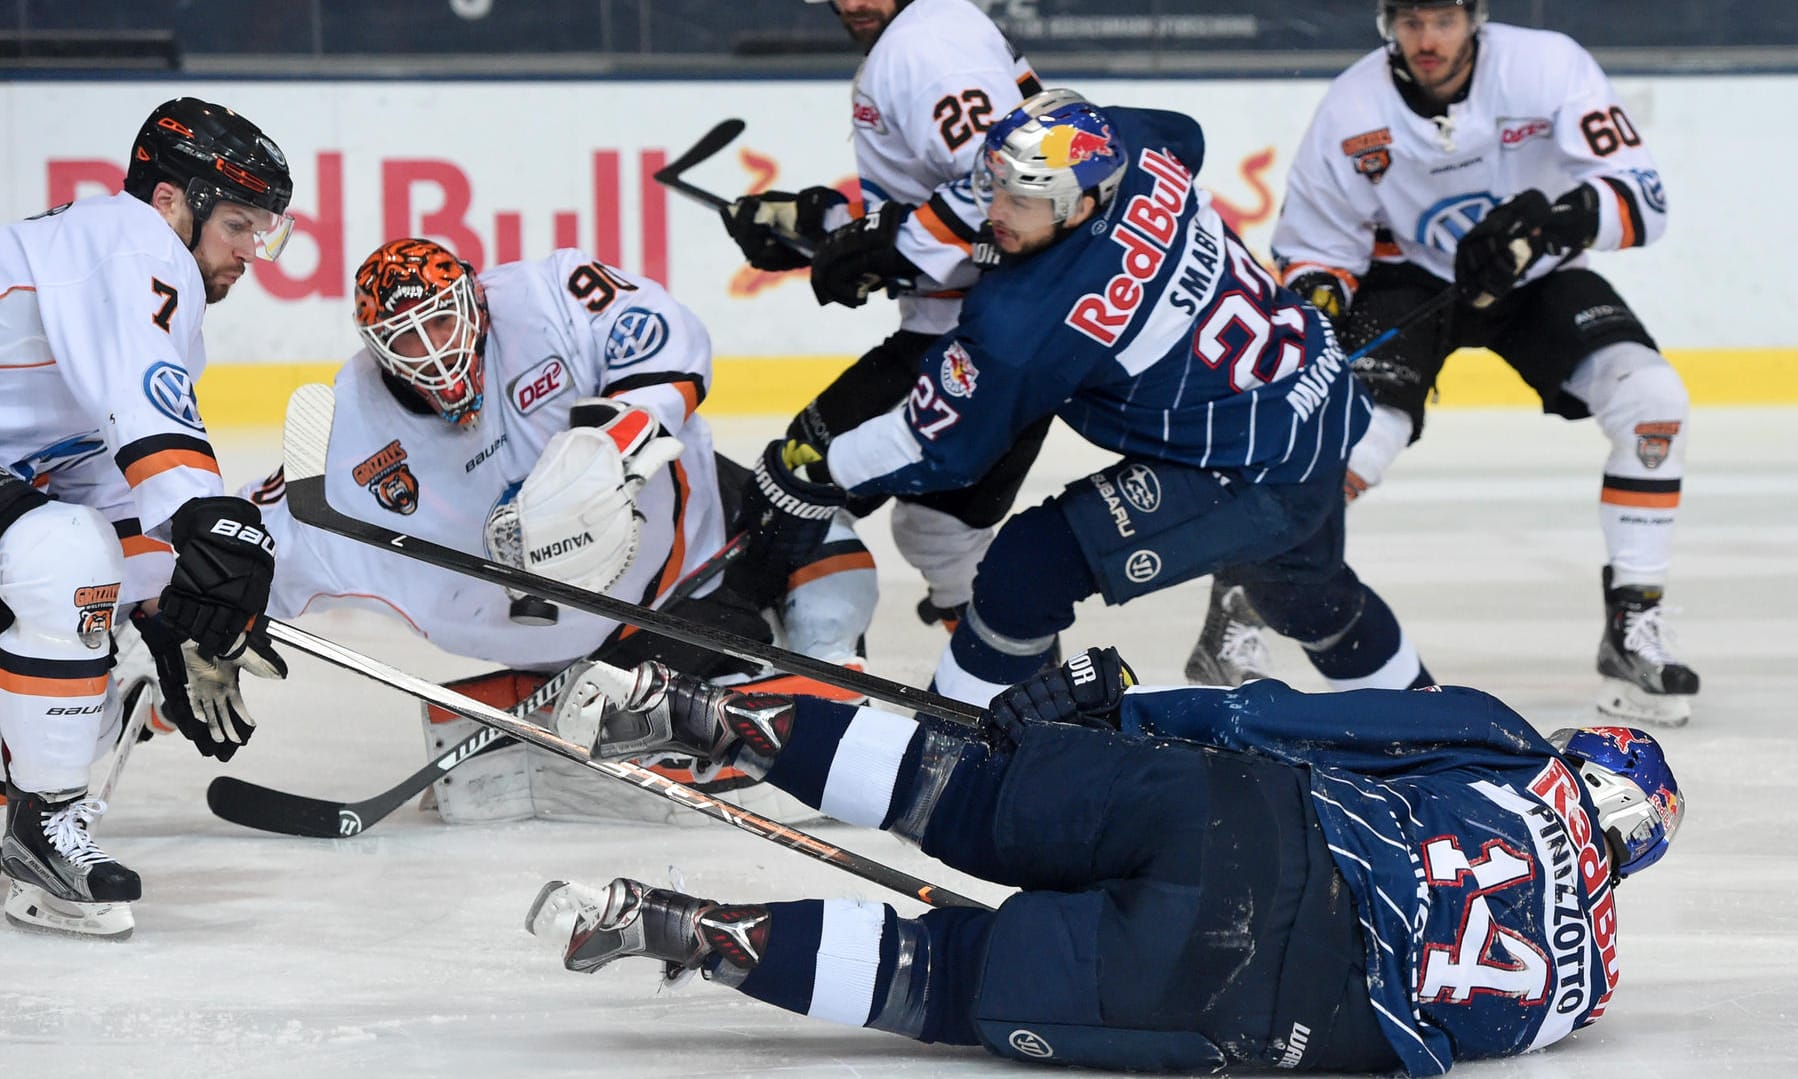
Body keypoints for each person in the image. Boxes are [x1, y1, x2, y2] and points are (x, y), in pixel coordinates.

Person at [528, 646, 1684, 1075]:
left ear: (1585, 757)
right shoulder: (1585, 989)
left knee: (961, 785)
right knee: (947, 979)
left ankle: (687, 709)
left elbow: (1289, 719)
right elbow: (1414, 1046)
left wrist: (1119, 714)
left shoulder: (1513, 751)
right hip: (1254, 994)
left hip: (1246, 816)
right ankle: (673, 928)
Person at [743, 89, 1431, 705]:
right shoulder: (1131, 145)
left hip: (1251, 468)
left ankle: (936, 752)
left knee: (1027, 568)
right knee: (1305, 595)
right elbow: (1184, 132)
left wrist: (816, 469)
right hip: (1319, 397)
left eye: (1022, 198)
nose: (997, 210)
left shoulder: (1025, 324)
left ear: (1084, 203)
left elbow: (939, 447)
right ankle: (1433, 728)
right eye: (996, 185)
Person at [243, 237, 877, 823]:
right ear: (374, 347)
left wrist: (613, 446)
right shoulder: (351, 433)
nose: (434, 350)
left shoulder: (545, 296)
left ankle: (611, 717)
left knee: (834, 552)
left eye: (441, 321)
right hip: (609, 627)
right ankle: (637, 720)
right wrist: (190, 623)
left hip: (695, 511)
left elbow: (657, 335)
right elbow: (247, 543)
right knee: (808, 706)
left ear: (474, 297)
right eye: (407, 339)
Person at [1193, 0, 1698, 723]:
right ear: (1387, 23)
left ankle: (1632, 624)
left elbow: (1645, 198)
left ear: (1475, 17)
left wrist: (1557, 219)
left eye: (1443, 20)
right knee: (1357, 441)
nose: (1427, 40)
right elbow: (1315, 247)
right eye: (1411, 22)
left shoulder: (1547, 66)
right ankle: (1241, 601)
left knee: (1654, 399)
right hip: (1405, 282)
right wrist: (1321, 311)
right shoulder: (1352, 107)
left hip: (1534, 271)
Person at [0, 97, 294, 939]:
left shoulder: (122, 271)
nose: (251, 250)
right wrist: (208, 523)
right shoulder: (130, 245)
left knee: (100, 607)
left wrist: (165, 606)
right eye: (238, 223)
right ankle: (40, 831)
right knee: (64, 557)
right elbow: (151, 443)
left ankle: (27, 790)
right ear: (173, 202)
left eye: (264, 230)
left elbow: (101, 474)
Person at [721, 0, 1047, 629]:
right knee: (942, 538)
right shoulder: (939, 26)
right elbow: (961, 199)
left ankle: (759, 683)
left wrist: (883, 247)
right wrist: (815, 228)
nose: (853, 3)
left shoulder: (923, 48)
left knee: (789, 487)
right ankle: (1032, 704)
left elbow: (1017, 188)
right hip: (1018, 335)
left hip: (973, 342)